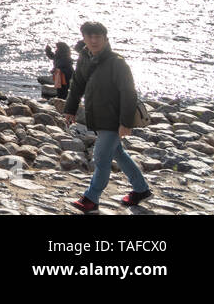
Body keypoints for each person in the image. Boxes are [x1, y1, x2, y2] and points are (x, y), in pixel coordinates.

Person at [63, 21, 150, 213]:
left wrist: (125, 123)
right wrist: (70, 109)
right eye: (90, 37)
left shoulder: (117, 62)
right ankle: (141, 189)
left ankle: (91, 198)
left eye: (98, 37)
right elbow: (77, 84)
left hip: (114, 118)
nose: (94, 40)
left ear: (105, 38)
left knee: (101, 158)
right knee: (117, 153)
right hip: (98, 116)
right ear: (84, 38)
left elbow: (129, 93)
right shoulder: (84, 58)